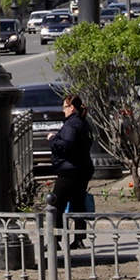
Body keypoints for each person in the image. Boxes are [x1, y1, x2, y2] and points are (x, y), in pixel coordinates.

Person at [48, 94, 95, 250]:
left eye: (65, 107)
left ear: (72, 107)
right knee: (78, 203)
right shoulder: (83, 123)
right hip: (83, 168)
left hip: (69, 170)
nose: (63, 111)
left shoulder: (71, 124)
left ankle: (55, 240)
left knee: (56, 204)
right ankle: (79, 239)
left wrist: (52, 139)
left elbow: (66, 144)